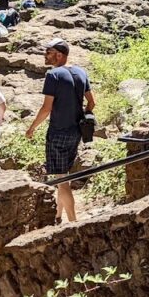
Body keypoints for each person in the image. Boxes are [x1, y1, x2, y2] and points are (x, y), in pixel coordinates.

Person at [26, 39, 95, 222]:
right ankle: (58, 215)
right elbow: (91, 102)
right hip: (76, 132)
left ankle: (73, 222)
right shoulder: (81, 72)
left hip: (58, 133)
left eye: (48, 52)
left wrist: (32, 127)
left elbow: (46, 108)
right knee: (64, 174)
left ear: (59, 55)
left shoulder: (53, 75)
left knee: (62, 179)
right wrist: (84, 115)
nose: (45, 55)